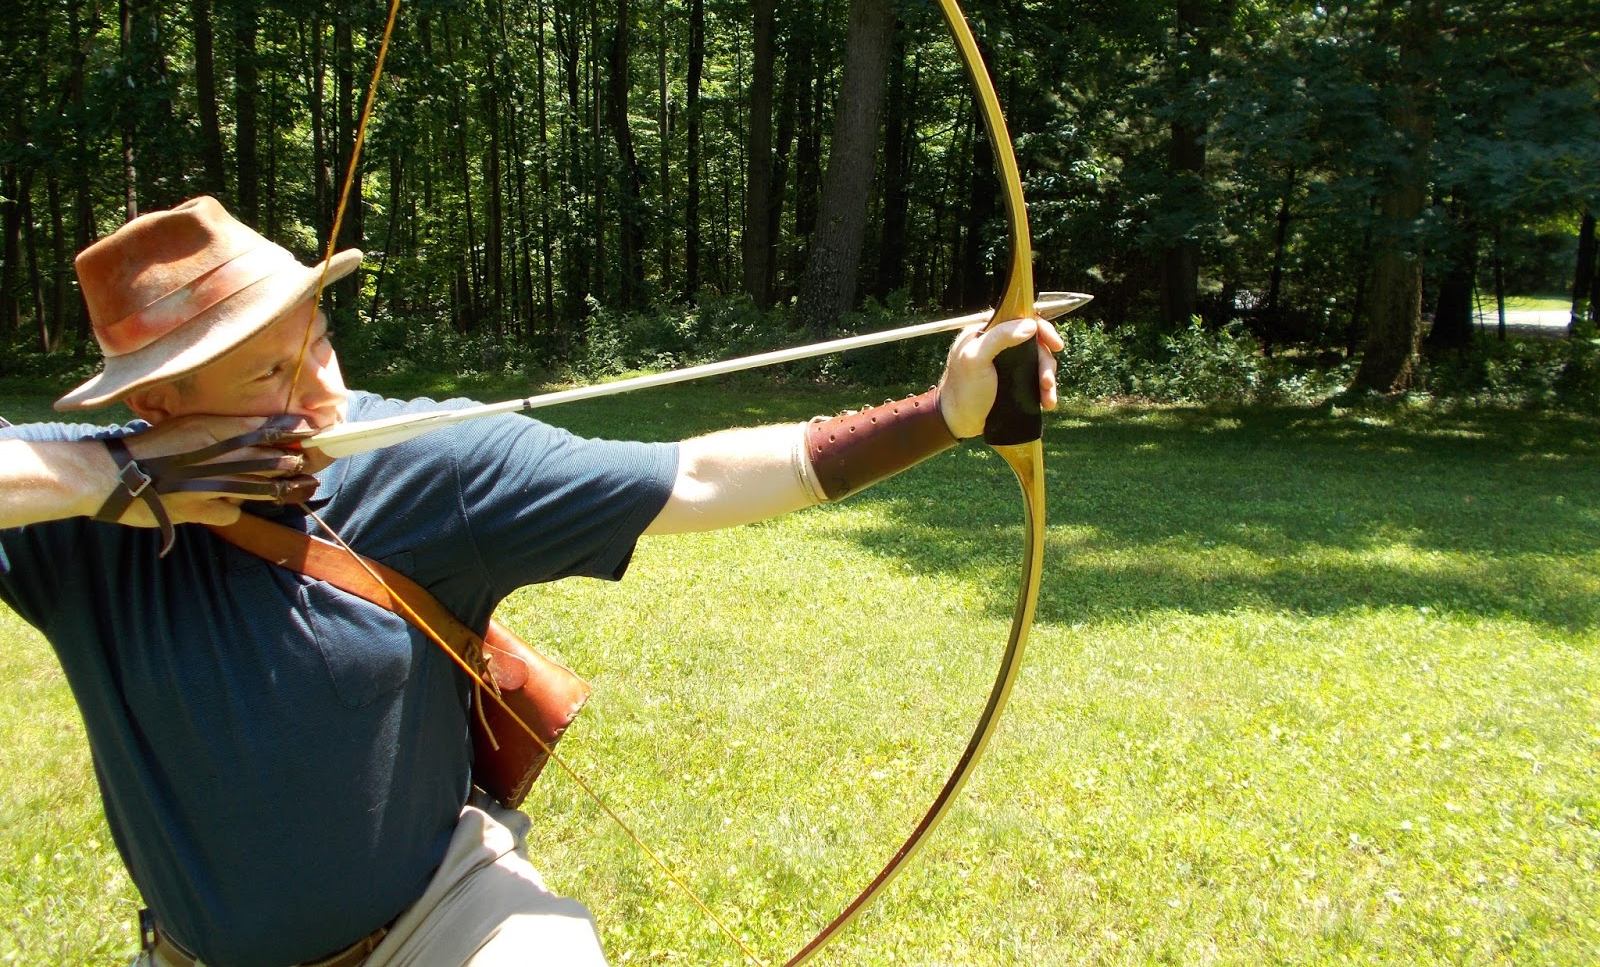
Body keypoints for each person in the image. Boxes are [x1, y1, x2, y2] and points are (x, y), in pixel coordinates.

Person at [0, 196, 1063, 967]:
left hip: (446, 921)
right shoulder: (76, 516)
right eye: (270, 375)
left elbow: (692, 477)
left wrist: (943, 417)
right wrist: (118, 480)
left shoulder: (416, 462)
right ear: (162, 403)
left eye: (316, 340)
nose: (321, 388)